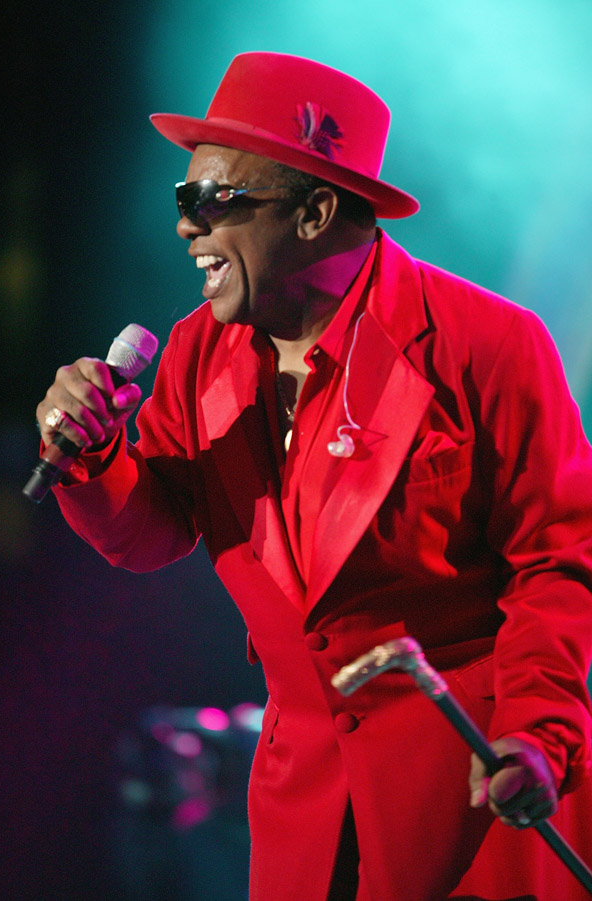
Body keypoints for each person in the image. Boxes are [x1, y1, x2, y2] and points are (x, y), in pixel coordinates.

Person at [35, 52, 592, 900]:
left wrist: (538, 735)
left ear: (316, 211)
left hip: (472, 800)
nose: (187, 227)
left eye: (212, 201)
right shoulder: (196, 352)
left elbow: (557, 562)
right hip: (306, 808)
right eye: (182, 200)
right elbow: (152, 533)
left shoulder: (489, 346)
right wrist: (95, 456)